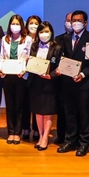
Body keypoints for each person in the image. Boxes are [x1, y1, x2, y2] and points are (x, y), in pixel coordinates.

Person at [56, 10, 89, 157]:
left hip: (84, 83)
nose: (75, 23)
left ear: (85, 23)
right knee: (69, 113)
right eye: (73, 20)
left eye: (79, 20)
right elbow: (62, 59)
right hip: (67, 82)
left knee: (83, 113)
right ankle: (70, 140)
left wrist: (82, 74)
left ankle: (84, 142)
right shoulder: (65, 38)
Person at [28, 21, 63, 150]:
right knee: (38, 111)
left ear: (51, 32)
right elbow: (31, 62)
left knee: (47, 112)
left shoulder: (57, 47)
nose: (44, 34)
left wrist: (51, 75)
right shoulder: (34, 46)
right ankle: (40, 135)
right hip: (36, 82)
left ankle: (45, 138)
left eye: (46, 31)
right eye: (41, 32)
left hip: (49, 83)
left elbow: (60, 66)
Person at [0, 14, 30, 144]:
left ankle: (17, 132)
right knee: (10, 105)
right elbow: (2, 57)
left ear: (21, 25)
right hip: (7, 76)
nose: (15, 26)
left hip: (20, 76)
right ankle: (10, 132)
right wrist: (1, 69)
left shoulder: (27, 39)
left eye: (17, 24)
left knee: (19, 106)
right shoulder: (4, 39)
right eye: (13, 24)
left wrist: (25, 71)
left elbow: (29, 58)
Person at [25, 13, 44, 142]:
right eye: (31, 23)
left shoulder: (42, 40)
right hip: (24, 76)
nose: (33, 26)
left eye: (36, 24)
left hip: (38, 77)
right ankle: (25, 128)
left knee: (37, 104)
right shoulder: (23, 39)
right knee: (25, 103)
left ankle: (37, 129)